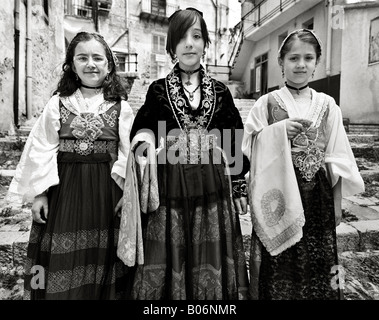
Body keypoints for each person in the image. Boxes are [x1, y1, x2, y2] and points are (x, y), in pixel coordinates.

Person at [117, 7, 250, 300]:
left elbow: (232, 139)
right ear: (171, 46)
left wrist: (239, 186)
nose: (190, 43)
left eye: (197, 36)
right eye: (182, 37)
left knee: (208, 251)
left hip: (212, 187)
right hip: (169, 188)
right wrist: (145, 141)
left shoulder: (221, 91)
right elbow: (141, 130)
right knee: (170, 250)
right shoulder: (158, 91)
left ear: (205, 44)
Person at [7, 31, 135, 300]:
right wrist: (40, 193)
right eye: (82, 58)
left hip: (106, 191)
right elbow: (41, 148)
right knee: (58, 255)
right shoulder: (58, 104)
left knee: (103, 255)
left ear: (109, 65)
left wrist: (127, 191)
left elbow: (129, 152)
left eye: (98, 58)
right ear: (72, 65)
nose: (91, 64)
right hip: (64, 191)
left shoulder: (121, 107)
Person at [242, 28, 365, 300]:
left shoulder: (327, 104)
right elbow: (249, 146)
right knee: (281, 260)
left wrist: (336, 204)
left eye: (308, 58)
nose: (300, 65)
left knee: (318, 258)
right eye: (293, 58)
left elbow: (337, 156)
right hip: (280, 195)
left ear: (316, 63)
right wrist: (276, 132)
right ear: (281, 62)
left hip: (317, 196)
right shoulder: (266, 103)